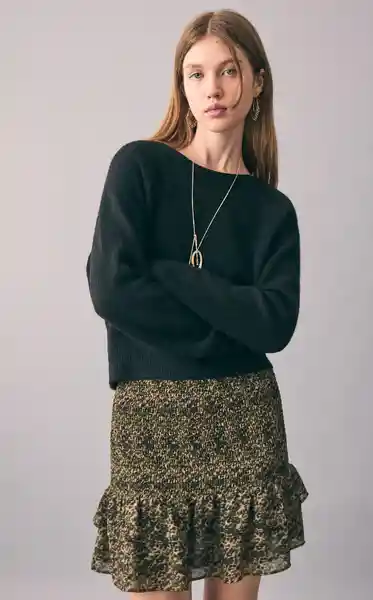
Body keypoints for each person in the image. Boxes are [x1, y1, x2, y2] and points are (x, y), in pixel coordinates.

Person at [85, 8, 308, 600]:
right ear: (182, 87)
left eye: (229, 70)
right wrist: (227, 324)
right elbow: (111, 289)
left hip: (244, 420)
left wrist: (171, 274)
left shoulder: (271, 211)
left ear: (256, 82)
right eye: (196, 73)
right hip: (151, 424)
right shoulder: (139, 167)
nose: (213, 88)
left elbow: (275, 323)